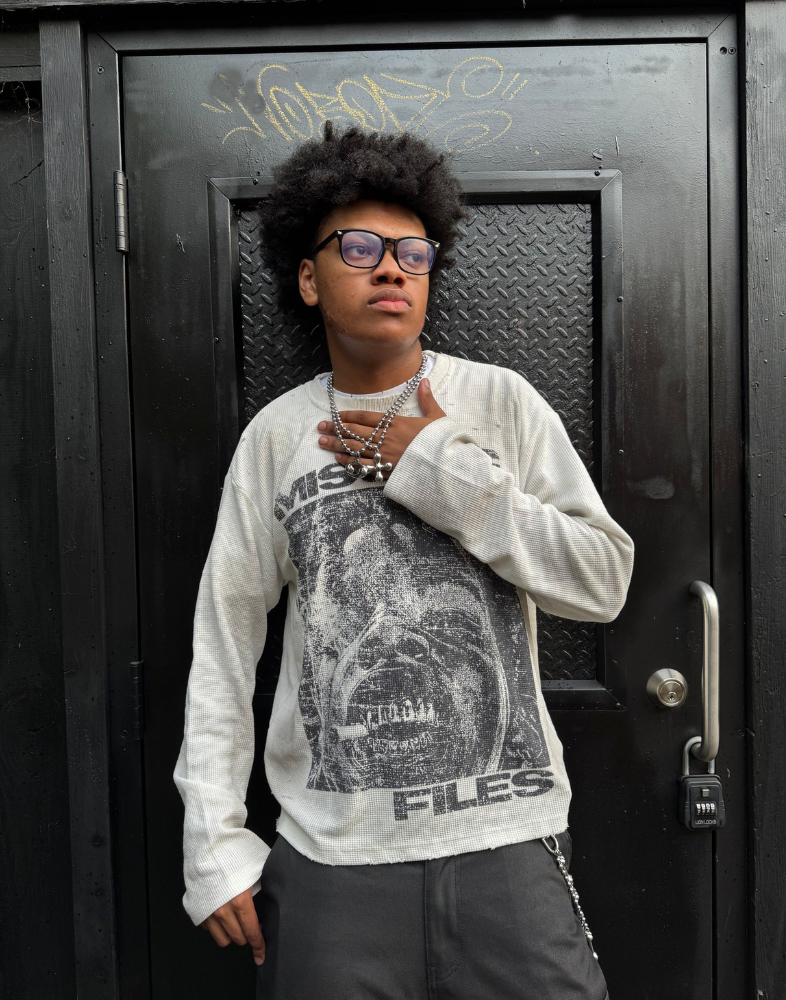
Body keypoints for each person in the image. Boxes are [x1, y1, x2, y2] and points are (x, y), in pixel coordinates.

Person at [173, 121, 633, 1000]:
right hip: (332, 862)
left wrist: (438, 469)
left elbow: (601, 582)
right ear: (309, 278)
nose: (391, 269)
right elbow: (224, 645)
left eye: (412, 254)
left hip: (509, 848)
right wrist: (213, 843)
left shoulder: (499, 403)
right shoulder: (275, 437)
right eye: (360, 248)